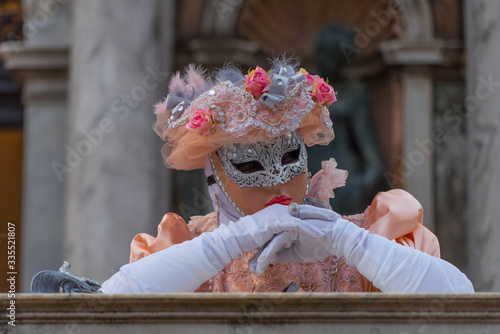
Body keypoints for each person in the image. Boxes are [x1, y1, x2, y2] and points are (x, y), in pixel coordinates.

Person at [75, 58, 475, 294]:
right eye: (249, 166)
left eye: (289, 159)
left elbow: (460, 298)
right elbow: (113, 304)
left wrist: (348, 241)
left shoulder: (369, 233)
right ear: (215, 179)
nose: (277, 184)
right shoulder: (186, 248)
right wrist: (227, 243)